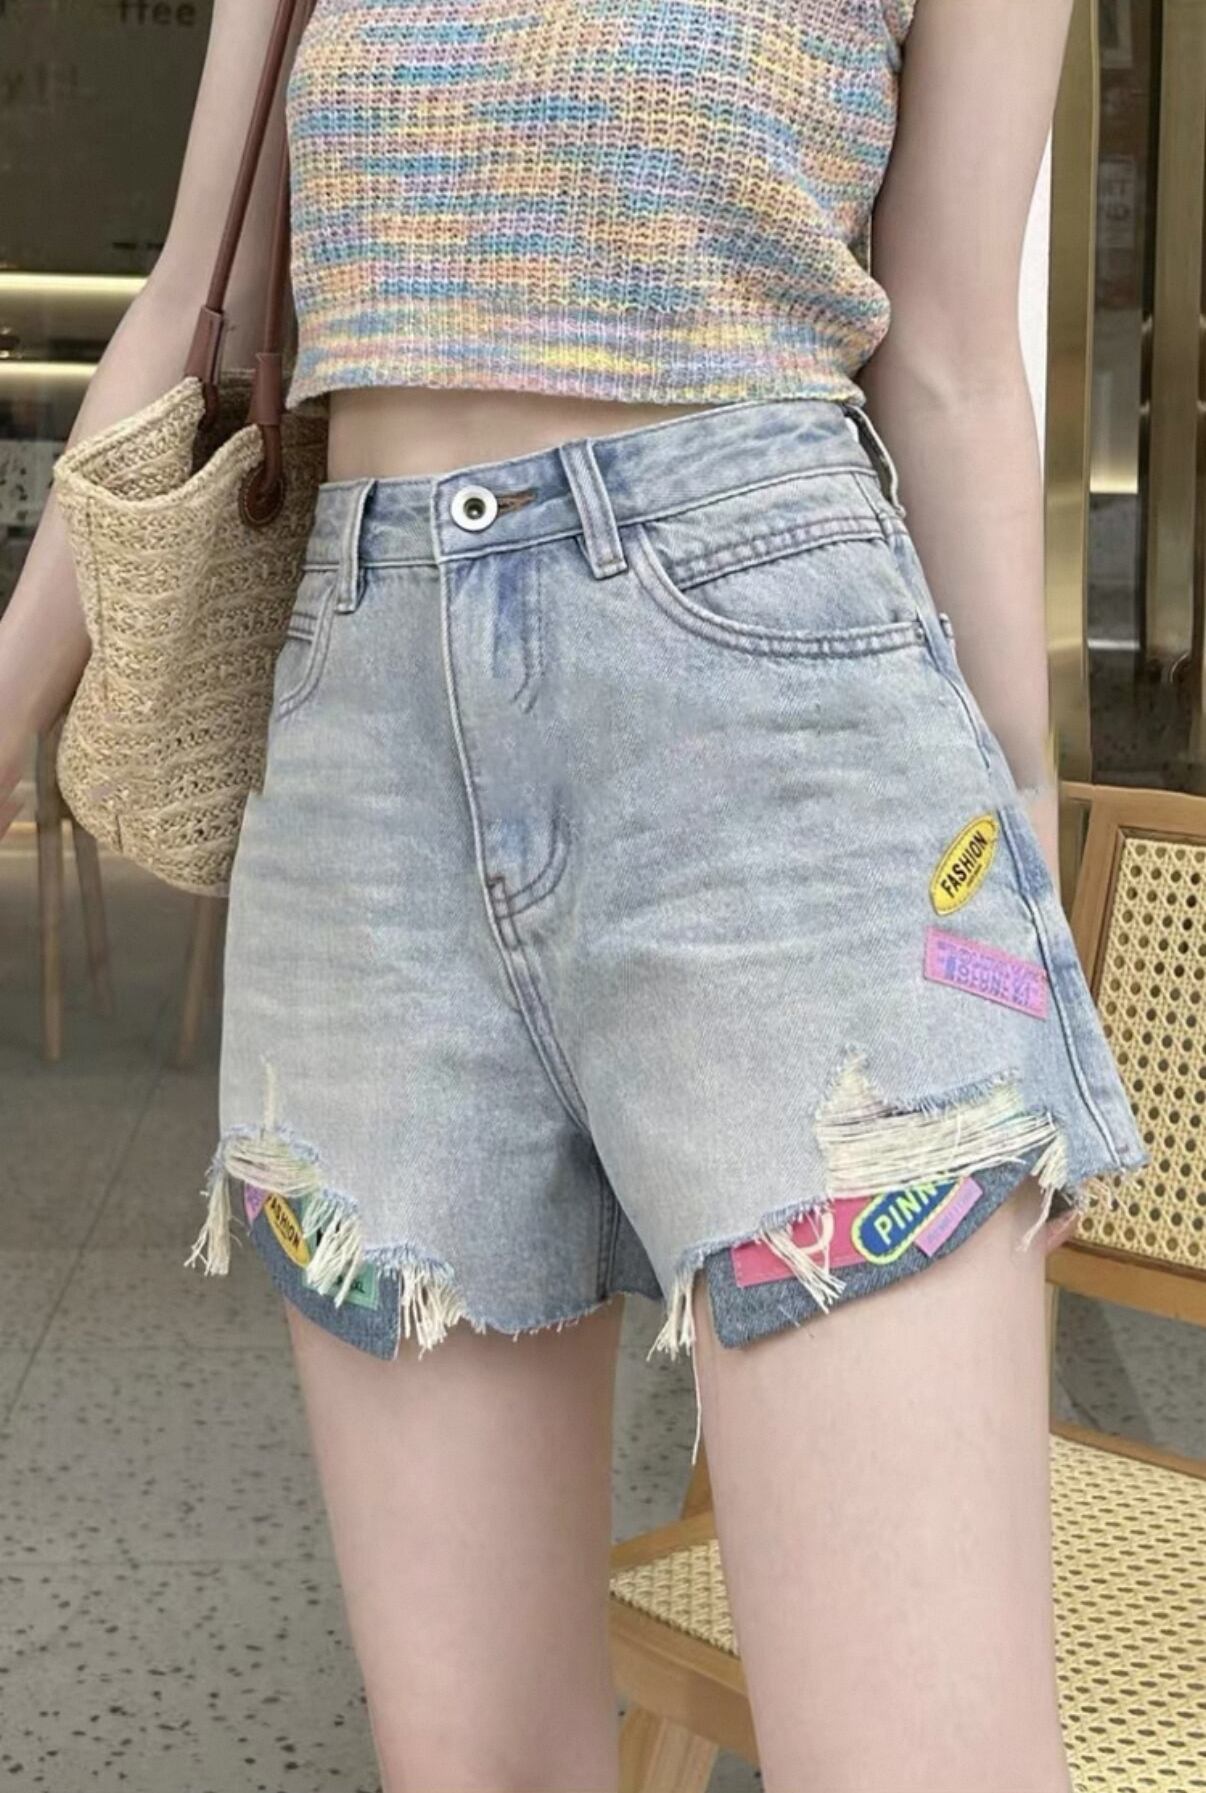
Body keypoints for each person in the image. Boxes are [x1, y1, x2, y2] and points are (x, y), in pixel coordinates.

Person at [1, 2, 1149, 1789]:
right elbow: (188, 309)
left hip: (791, 748)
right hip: (367, 776)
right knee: (474, 1762)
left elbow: (948, 360)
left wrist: (1011, 879)